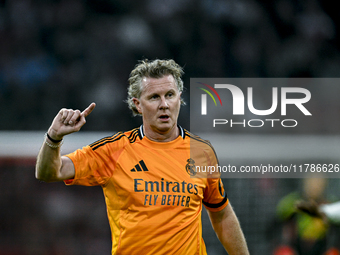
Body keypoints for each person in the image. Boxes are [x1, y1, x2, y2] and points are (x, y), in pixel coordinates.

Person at [35, 59, 249, 255]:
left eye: (170, 95)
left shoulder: (201, 152)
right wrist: (54, 138)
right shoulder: (114, 150)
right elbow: (50, 172)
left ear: (179, 98)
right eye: (154, 97)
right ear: (138, 104)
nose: (164, 104)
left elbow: (221, 214)